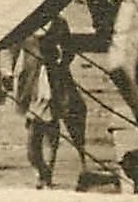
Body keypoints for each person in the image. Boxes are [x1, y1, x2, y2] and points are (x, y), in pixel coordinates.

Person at [12, 15, 88, 190]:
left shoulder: (59, 23)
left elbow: (69, 50)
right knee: (33, 138)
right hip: (31, 83)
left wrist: (59, 63)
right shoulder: (25, 22)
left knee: (52, 126)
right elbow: (10, 48)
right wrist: (7, 72)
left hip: (55, 81)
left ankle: (47, 173)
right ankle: (41, 169)